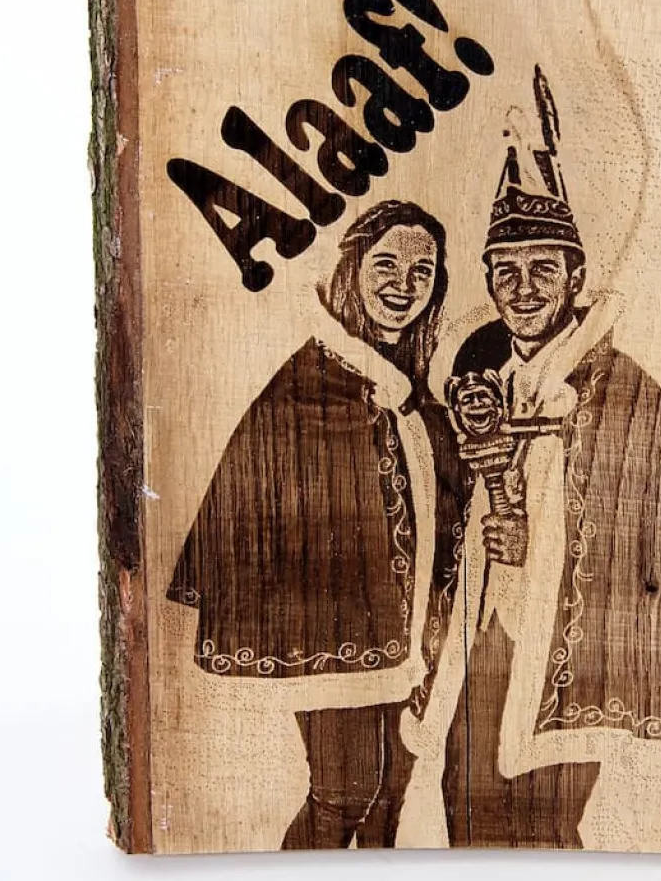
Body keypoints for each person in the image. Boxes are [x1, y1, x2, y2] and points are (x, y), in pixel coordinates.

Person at [403, 68, 661, 849]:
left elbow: (652, 523)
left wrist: (540, 542)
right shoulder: (479, 376)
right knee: (465, 804)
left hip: (567, 641)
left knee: (545, 824)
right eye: (506, 271)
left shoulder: (623, 390)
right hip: (481, 628)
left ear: (575, 277)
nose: (524, 288)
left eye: (543, 269)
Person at [166, 199, 466, 849]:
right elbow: (249, 494)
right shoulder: (310, 379)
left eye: (422, 271)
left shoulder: (412, 386)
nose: (403, 285)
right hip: (338, 630)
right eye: (386, 264)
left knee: (389, 795)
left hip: (414, 631)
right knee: (344, 793)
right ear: (353, 268)